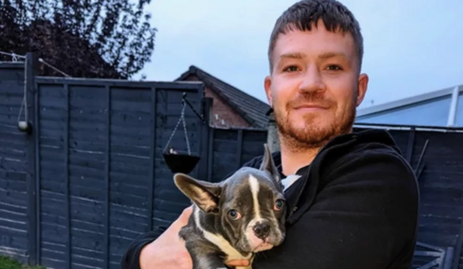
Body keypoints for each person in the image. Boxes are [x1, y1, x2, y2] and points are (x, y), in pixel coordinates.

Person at [121, 0, 419, 268]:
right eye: (292, 67)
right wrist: (145, 256)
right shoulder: (256, 173)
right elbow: (167, 235)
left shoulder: (377, 177)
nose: (310, 84)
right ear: (270, 89)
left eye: (332, 66)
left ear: (359, 88)